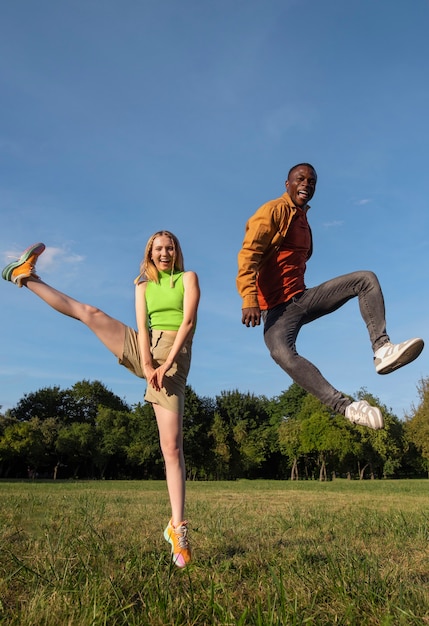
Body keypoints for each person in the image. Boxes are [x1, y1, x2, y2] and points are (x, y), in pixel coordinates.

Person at [2, 231, 200, 568]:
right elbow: (141, 323)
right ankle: (26, 277)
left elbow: (188, 321)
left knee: (171, 448)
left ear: (176, 251)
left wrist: (165, 363)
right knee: (90, 312)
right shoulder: (142, 284)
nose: (164, 253)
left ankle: (177, 529)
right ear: (149, 253)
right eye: (158, 249)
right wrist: (148, 361)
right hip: (147, 349)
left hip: (174, 358)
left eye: (169, 248)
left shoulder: (187, 278)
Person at [237, 163, 424, 429]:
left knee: (365, 279)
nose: (306, 184)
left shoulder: (303, 220)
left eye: (311, 182)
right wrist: (249, 298)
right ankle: (347, 407)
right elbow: (249, 255)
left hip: (301, 298)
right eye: (300, 179)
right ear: (287, 184)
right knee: (281, 353)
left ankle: (382, 349)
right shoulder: (273, 211)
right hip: (275, 310)